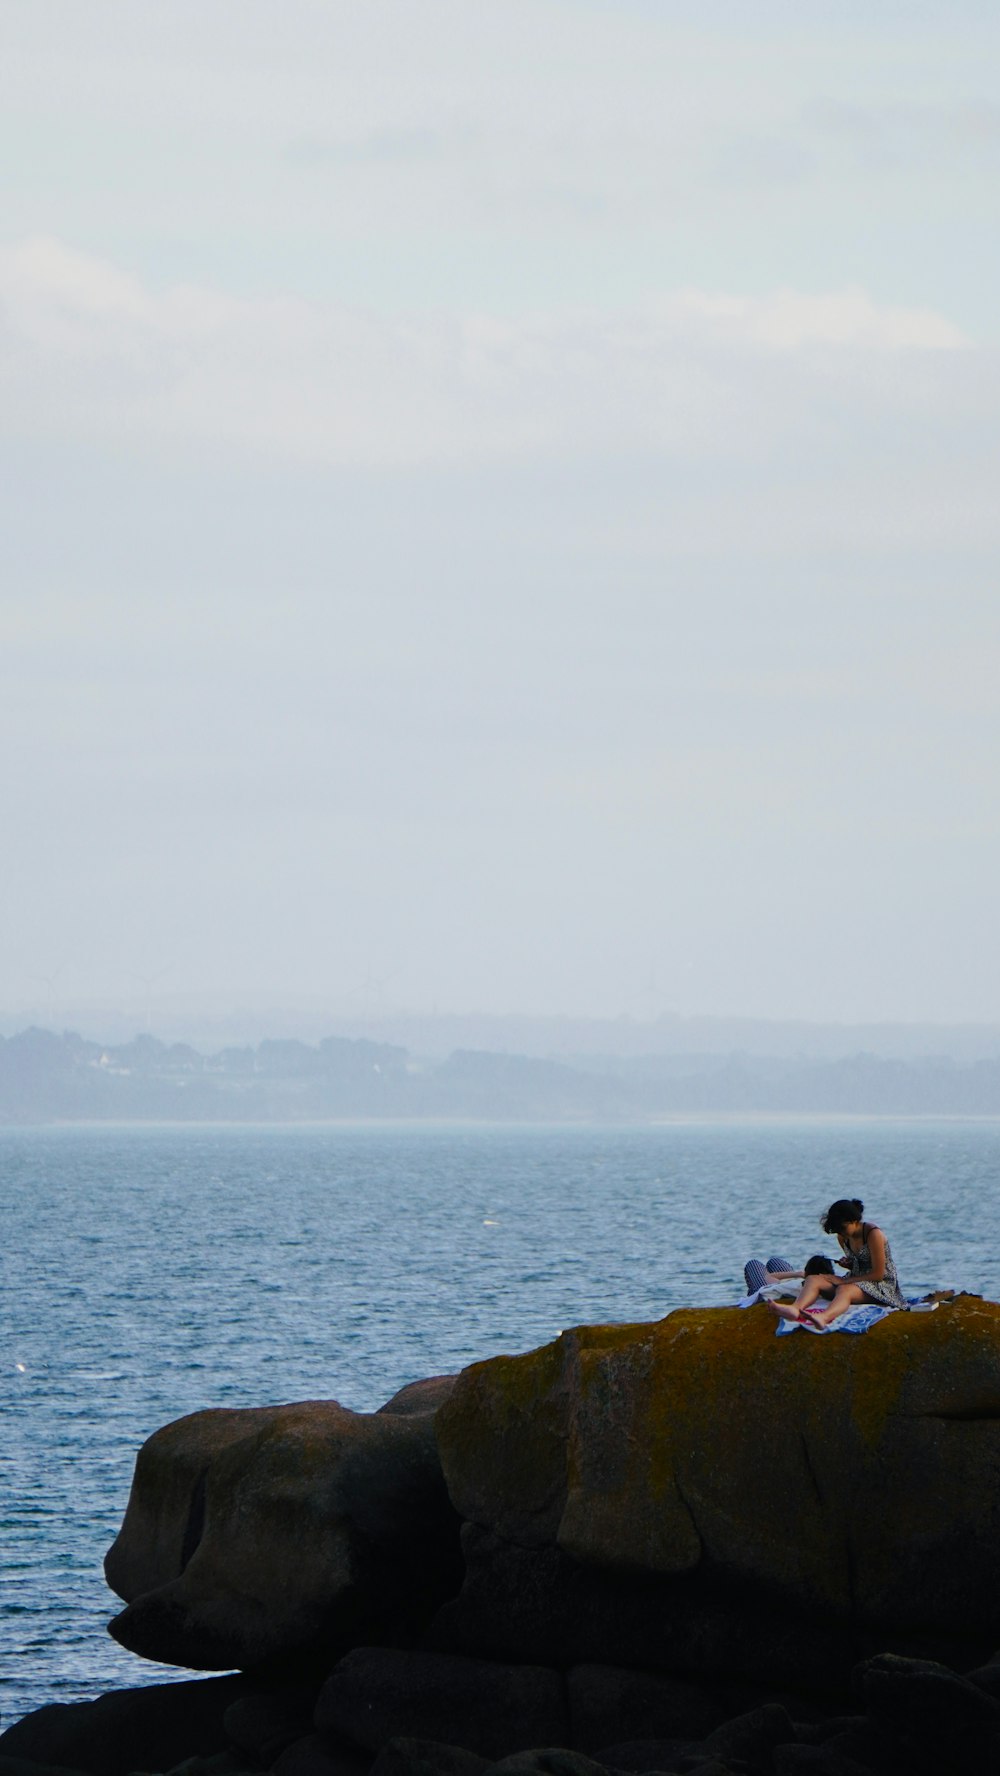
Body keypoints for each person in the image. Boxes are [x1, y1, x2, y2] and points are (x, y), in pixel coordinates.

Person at [768, 1197, 906, 1327]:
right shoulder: (843, 1237)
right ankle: (795, 1309)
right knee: (813, 1279)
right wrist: (849, 1264)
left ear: (853, 1220)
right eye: (837, 1230)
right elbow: (859, 1264)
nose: (841, 1232)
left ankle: (824, 1317)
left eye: (842, 1228)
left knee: (843, 1289)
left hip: (881, 1287)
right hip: (856, 1282)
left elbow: (878, 1274)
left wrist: (844, 1281)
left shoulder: (873, 1234)